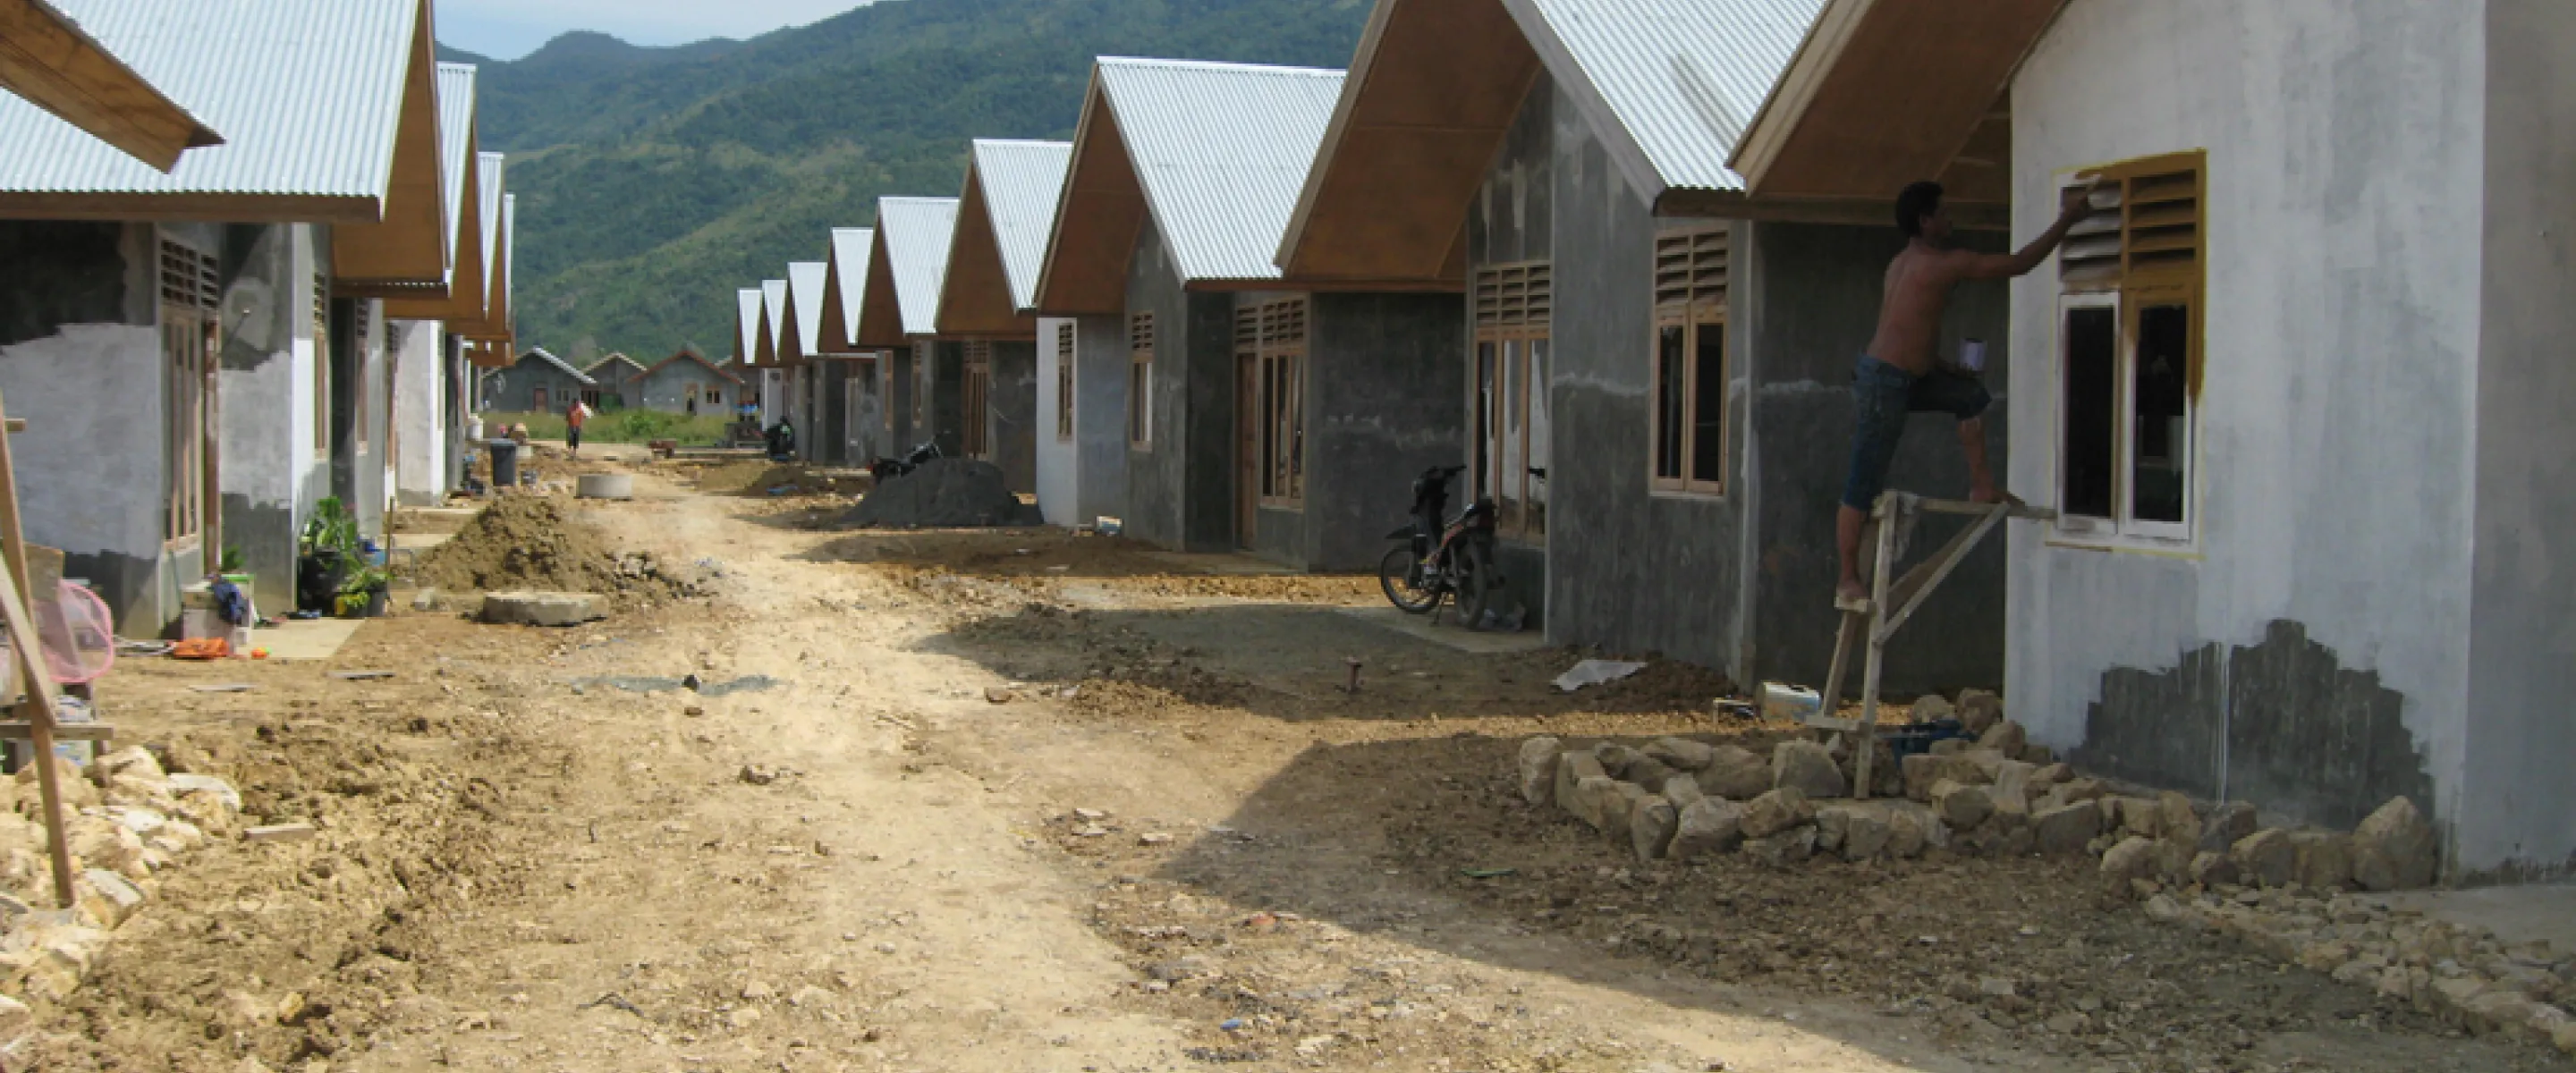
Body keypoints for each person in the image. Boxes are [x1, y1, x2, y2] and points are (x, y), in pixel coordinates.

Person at [1836, 178, 2097, 606]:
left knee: (1969, 397)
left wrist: (1945, 368)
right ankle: (1847, 577)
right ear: (1926, 220)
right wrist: (2066, 220)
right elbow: (2018, 264)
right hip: (1885, 382)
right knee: (1863, 481)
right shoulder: (1941, 264)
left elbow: (1907, 331)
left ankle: (1983, 486)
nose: (1950, 218)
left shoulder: (1903, 264)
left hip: (1904, 374)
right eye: (1943, 212)